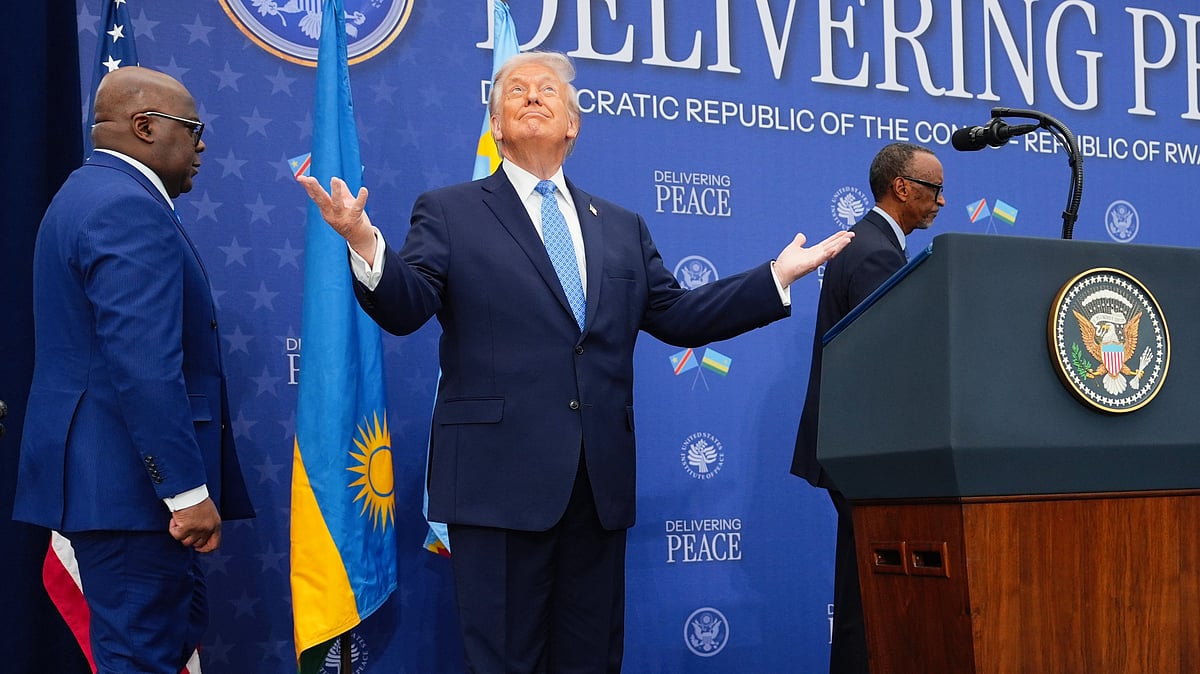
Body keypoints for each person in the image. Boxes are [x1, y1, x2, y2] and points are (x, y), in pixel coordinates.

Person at [299, 50, 852, 673]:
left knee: (591, 661)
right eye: (516, 91)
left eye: (547, 90)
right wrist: (363, 240)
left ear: (573, 124)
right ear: (496, 125)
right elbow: (408, 306)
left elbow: (679, 316)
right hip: (497, 485)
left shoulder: (621, 226)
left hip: (597, 485)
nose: (532, 96)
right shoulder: (450, 210)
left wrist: (776, 276)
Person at [13, 66, 254, 673]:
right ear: (145, 126)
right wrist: (186, 492)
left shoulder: (87, 193)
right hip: (130, 495)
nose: (202, 146)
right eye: (194, 130)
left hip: (111, 490)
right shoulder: (125, 207)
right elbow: (145, 368)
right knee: (141, 660)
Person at [791, 142, 945, 674]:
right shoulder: (878, 253)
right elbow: (886, 362)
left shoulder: (867, 242)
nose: (941, 201)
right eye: (934, 189)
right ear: (902, 187)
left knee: (862, 594)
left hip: (854, 450)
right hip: (868, 453)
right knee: (869, 599)